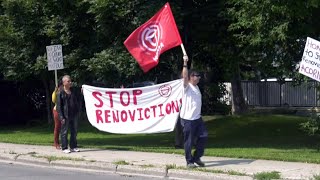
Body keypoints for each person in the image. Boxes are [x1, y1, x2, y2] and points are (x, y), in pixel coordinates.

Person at [180, 55, 208, 168]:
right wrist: (185, 63)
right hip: (188, 119)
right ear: (191, 77)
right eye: (197, 76)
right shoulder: (187, 87)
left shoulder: (196, 87)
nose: (199, 78)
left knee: (204, 136)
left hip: (197, 118)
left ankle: (197, 157)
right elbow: (184, 76)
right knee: (189, 141)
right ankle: (189, 161)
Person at [56, 75, 80, 153]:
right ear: (64, 83)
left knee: (74, 131)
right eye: (68, 81)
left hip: (74, 114)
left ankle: (73, 146)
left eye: (70, 81)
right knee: (64, 132)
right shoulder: (60, 92)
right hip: (65, 115)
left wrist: (82, 90)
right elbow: (59, 107)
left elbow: (79, 96)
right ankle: (64, 147)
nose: (70, 82)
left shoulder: (73, 91)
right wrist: (61, 117)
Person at [52, 80, 63, 149]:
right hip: (57, 110)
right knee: (57, 127)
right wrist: (55, 92)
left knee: (64, 127)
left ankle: (64, 142)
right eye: (61, 85)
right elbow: (53, 100)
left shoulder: (67, 91)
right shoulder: (57, 92)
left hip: (65, 111)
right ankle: (56, 143)